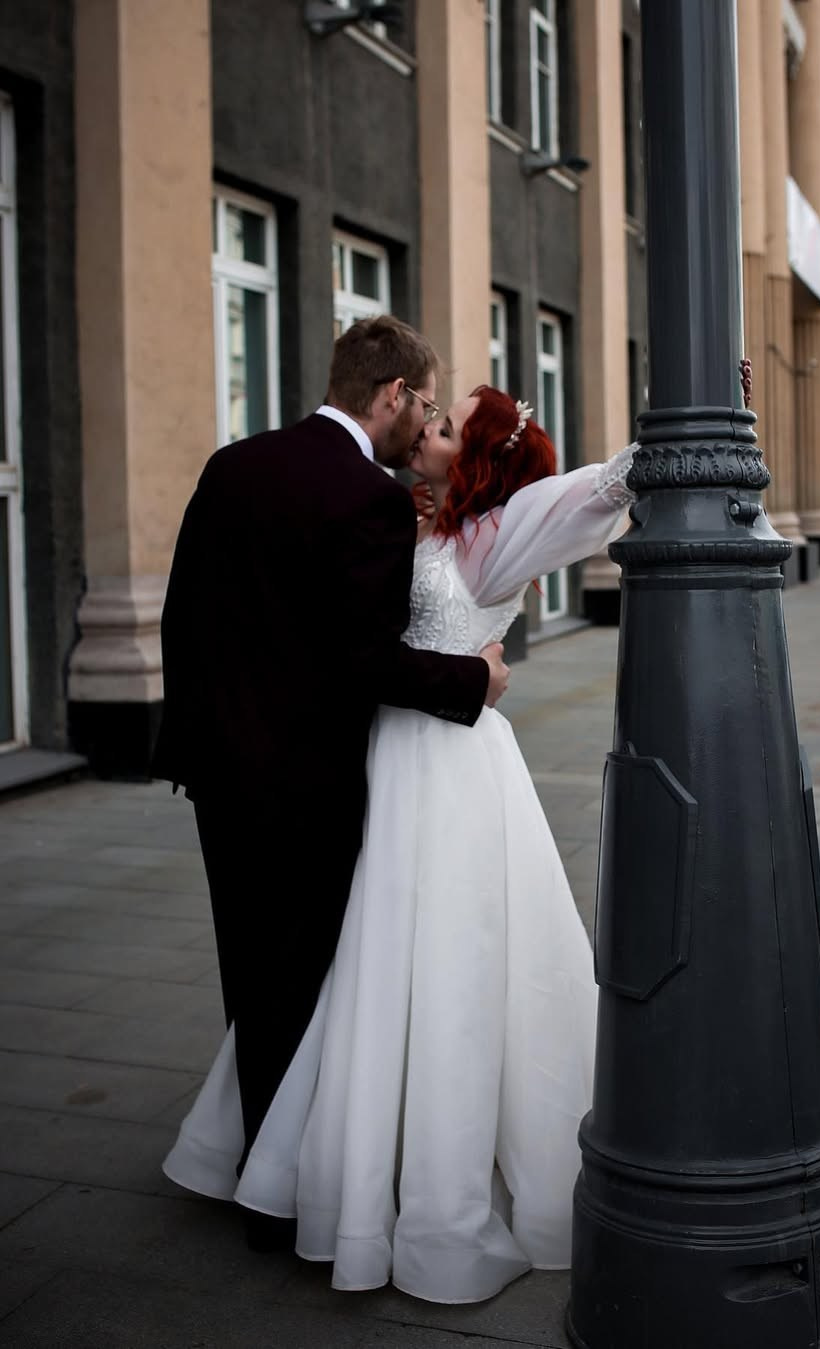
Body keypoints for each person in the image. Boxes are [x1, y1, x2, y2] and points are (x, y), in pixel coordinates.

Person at [163, 385, 637, 1302]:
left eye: (449, 425)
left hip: (453, 772)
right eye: (429, 414)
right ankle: (336, 1143)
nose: (428, 427)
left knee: (451, 966)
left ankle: (429, 1174)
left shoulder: (505, 531)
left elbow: (597, 490)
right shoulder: (402, 514)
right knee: (364, 958)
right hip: (382, 760)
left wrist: (677, 427)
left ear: (479, 462)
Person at [152, 319, 510, 1250]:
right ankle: (289, 1190)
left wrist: (191, 744)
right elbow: (365, 661)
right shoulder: (370, 497)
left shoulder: (233, 463)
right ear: (391, 395)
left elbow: (182, 614)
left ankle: (260, 1162)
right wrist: (475, 681)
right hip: (309, 782)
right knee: (307, 981)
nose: (425, 421)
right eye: (425, 405)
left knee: (251, 970)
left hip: (222, 773)